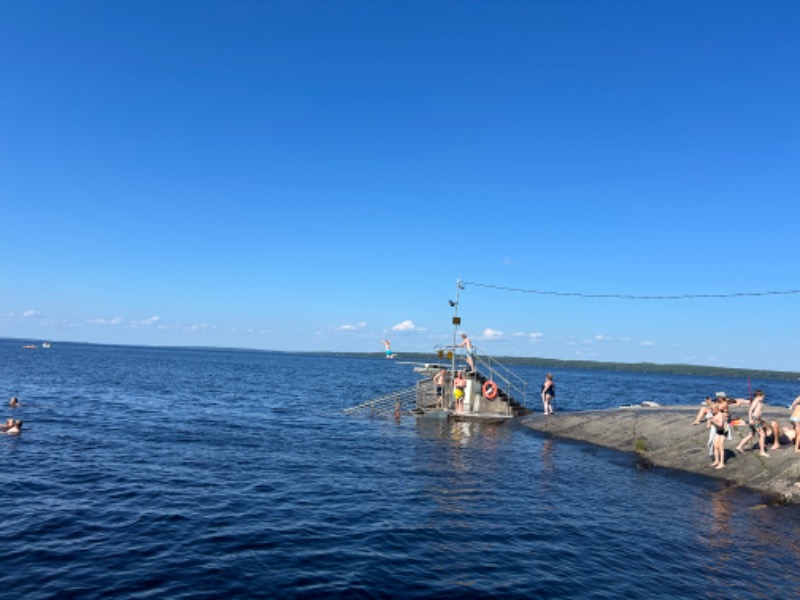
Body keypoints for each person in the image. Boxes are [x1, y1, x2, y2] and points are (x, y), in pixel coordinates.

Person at [735, 390, 769, 457]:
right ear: (758, 396)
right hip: (754, 420)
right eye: (762, 396)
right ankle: (762, 451)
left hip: (756, 420)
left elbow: (757, 412)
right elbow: (750, 410)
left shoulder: (758, 401)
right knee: (762, 434)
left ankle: (739, 446)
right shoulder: (756, 401)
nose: (763, 397)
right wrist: (750, 419)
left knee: (751, 435)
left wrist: (761, 420)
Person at [710, 404, 727, 469]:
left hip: (723, 432)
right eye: (712, 410)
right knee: (715, 446)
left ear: (717, 409)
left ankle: (722, 463)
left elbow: (720, 424)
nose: (712, 411)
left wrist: (714, 421)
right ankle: (717, 460)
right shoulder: (714, 414)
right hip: (718, 431)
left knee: (720, 446)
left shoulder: (721, 415)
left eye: (713, 410)